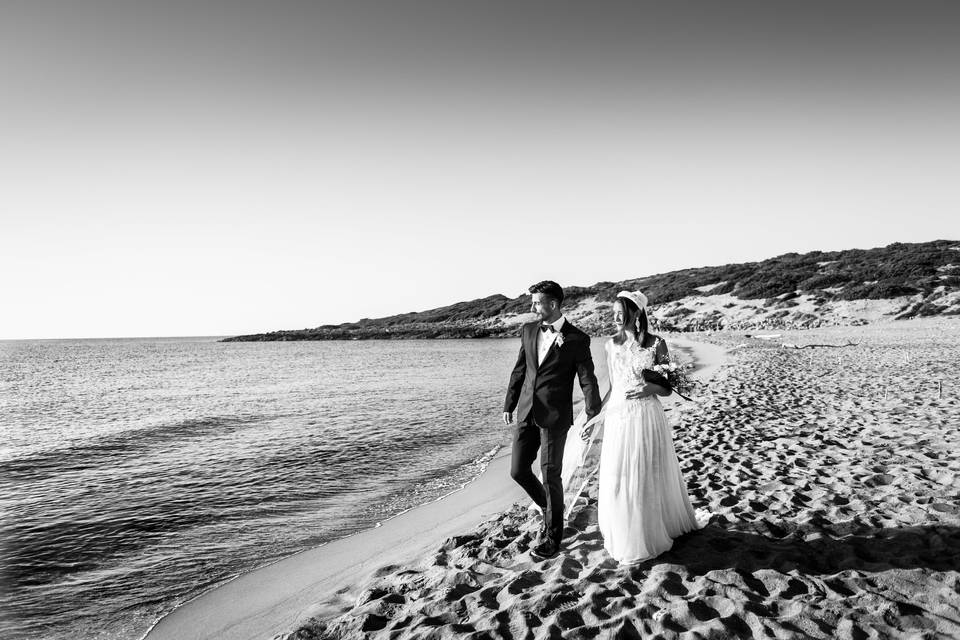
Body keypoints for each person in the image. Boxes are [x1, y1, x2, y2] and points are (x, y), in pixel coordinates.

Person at [598, 290, 700, 564]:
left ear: (635, 313)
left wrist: (648, 388)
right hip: (618, 419)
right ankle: (624, 532)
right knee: (619, 476)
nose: (616, 317)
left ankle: (649, 531)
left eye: (621, 312)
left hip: (645, 416)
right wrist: (594, 417)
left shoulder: (656, 344)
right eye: (614, 312)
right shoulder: (610, 345)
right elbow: (611, 387)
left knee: (644, 473)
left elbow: (667, 389)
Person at [503, 280, 602, 558]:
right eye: (533, 302)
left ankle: (552, 537)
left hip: (554, 417)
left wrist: (592, 415)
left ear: (553, 304)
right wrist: (509, 403)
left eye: (537, 303)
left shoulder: (577, 339)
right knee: (518, 471)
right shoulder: (528, 330)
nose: (533, 307)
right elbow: (519, 370)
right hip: (525, 411)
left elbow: (587, 380)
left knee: (550, 475)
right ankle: (551, 509)